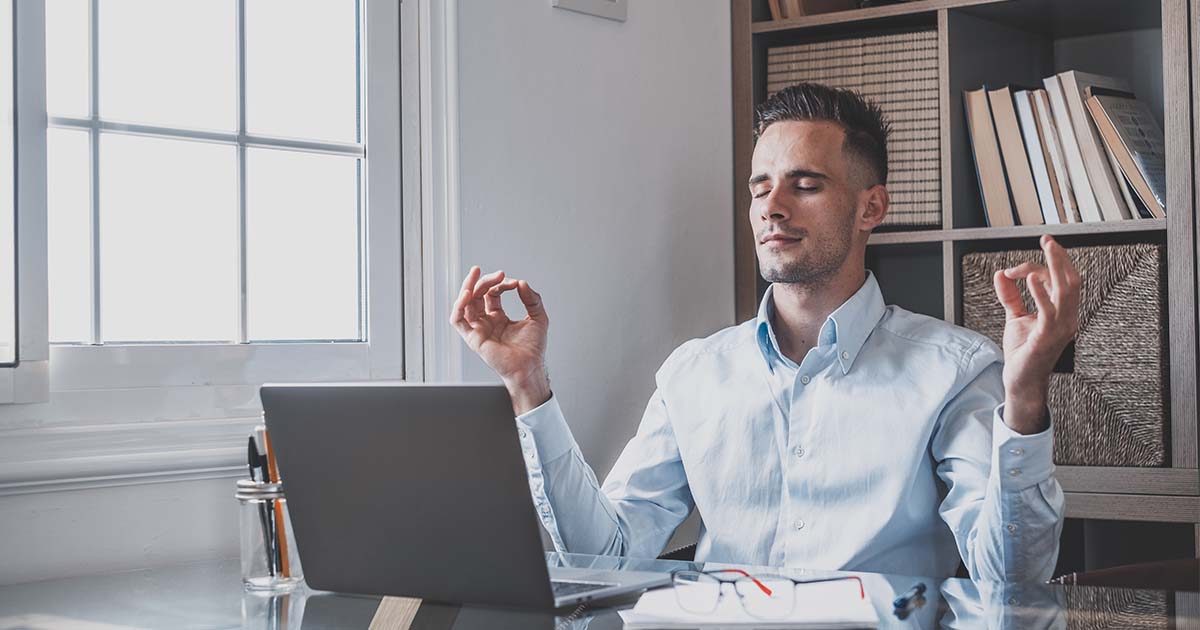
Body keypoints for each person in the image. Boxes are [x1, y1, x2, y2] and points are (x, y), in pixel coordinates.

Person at [450, 83, 1078, 582]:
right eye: (760, 188)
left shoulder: (955, 368)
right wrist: (528, 386)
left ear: (871, 208)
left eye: (805, 184)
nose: (773, 207)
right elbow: (606, 557)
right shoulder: (692, 373)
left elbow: (1013, 580)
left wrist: (1023, 404)